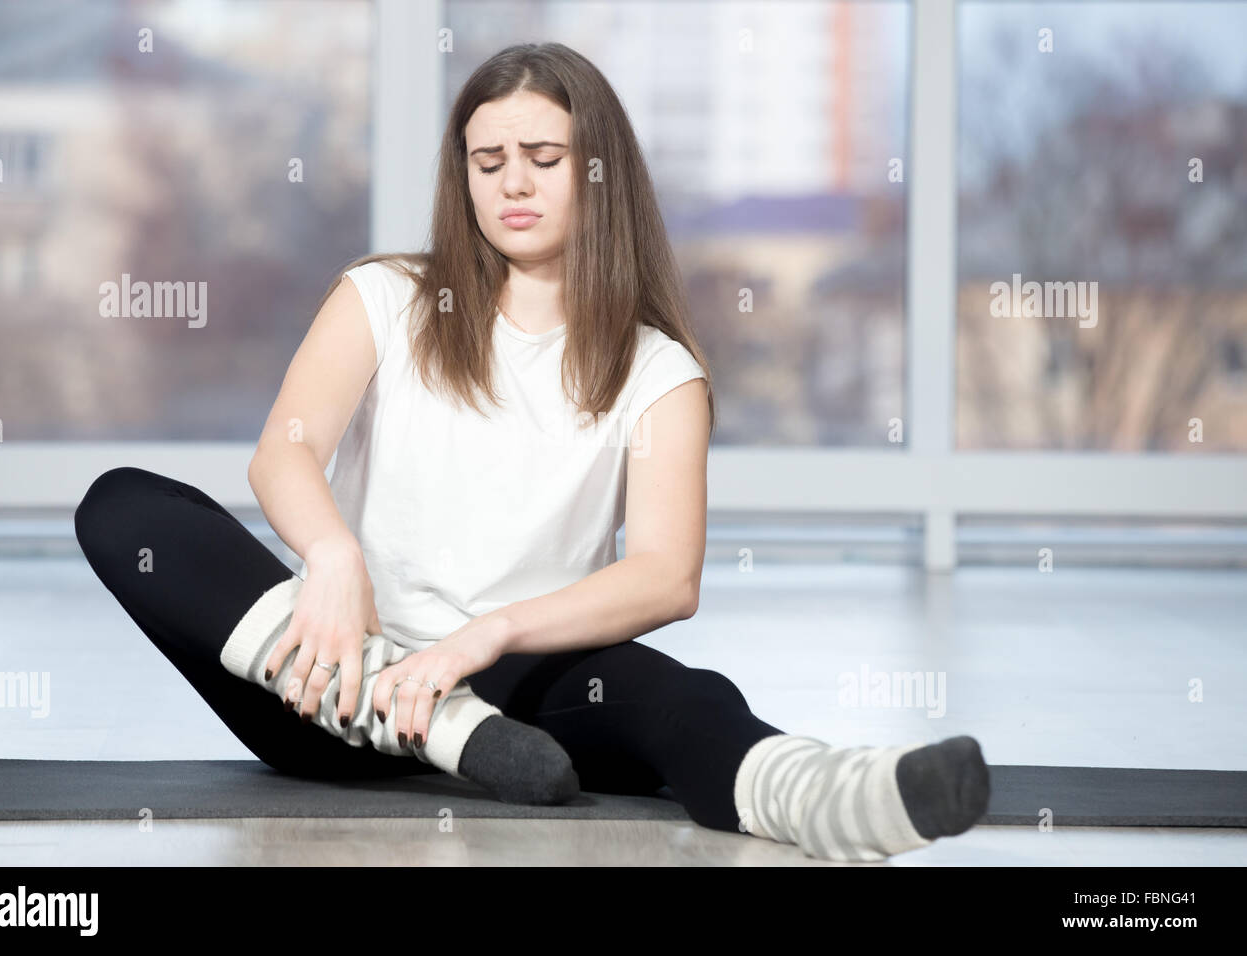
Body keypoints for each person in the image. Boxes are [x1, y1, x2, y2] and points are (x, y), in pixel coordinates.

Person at [74, 42, 989, 862]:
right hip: (333, 687)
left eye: (543, 159)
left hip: (524, 699)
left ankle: (832, 798)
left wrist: (489, 634)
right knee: (125, 506)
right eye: (488, 161)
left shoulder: (661, 370)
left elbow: (668, 578)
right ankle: (439, 734)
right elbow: (284, 451)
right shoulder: (384, 296)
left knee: (683, 695)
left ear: (598, 176)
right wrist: (332, 555)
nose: (512, 183)